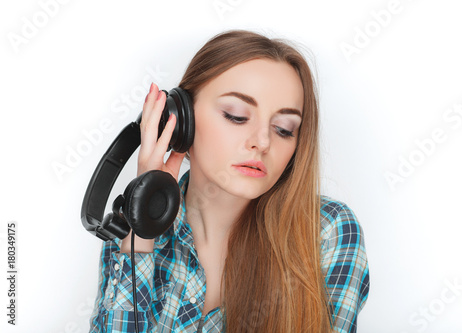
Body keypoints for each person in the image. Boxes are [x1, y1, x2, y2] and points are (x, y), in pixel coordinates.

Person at [89, 29, 369, 333]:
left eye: (284, 129)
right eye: (236, 116)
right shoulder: (131, 233)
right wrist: (141, 233)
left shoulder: (327, 232)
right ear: (181, 120)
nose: (262, 142)